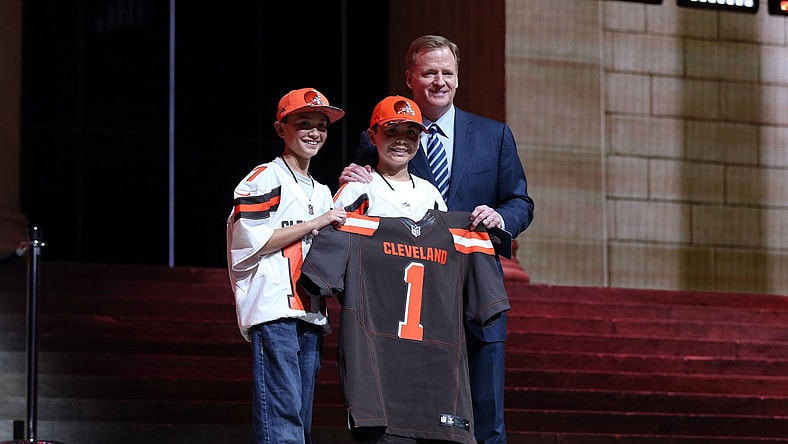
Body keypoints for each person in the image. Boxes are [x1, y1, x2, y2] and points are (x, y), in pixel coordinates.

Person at [340, 35, 535, 444]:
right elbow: (357, 203)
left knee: (487, 415)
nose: (439, 81)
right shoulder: (376, 138)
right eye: (429, 73)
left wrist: (502, 217)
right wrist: (347, 179)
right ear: (410, 78)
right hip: (413, 298)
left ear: (459, 79)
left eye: (447, 73)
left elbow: (521, 200)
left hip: (476, 289)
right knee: (421, 410)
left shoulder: (494, 135)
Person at [226, 87, 348, 444]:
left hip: (311, 315)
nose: (314, 133)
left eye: (321, 126)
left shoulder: (323, 191)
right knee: (282, 422)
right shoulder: (264, 178)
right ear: (282, 129)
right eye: (304, 124)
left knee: (299, 421)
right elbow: (249, 241)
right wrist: (316, 223)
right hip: (274, 310)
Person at [334, 95, 447, 219]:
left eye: (411, 133)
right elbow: (332, 234)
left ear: (419, 140)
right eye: (392, 131)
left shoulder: (430, 192)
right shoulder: (357, 188)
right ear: (372, 136)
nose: (402, 140)